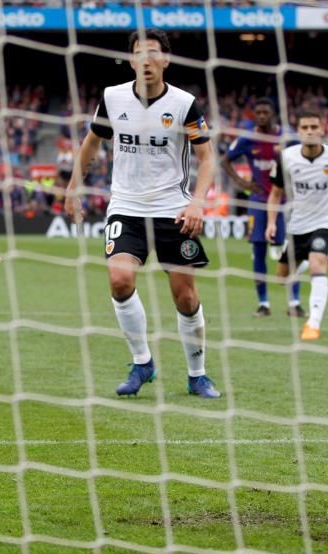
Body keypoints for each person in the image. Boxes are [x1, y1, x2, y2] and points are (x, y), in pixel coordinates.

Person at [65, 29, 220, 399]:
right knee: (120, 280)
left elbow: (207, 157)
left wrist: (197, 201)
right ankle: (142, 362)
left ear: (166, 60)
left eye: (154, 53)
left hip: (172, 209)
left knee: (184, 295)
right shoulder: (112, 97)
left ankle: (197, 374)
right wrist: (74, 185)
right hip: (126, 206)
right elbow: (92, 142)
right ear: (131, 60)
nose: (146, 60)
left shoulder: (184, 104)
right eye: (139, 54)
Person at [265, 108, 328, 341]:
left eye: (314, 127)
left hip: (326, 221)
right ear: (298, 131)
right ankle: (301, 265)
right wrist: (271, 223)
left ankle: (313, 324)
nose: (310, 131)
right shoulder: (287, 157)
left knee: (318, 265)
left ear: (322, 129)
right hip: (297, 225)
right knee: (282, 277)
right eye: (305, 127)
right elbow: (275, 194)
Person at [220, 98, 304, 317]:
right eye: (258, 112)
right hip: (257, 202)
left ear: (273, 114)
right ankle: (263, 304)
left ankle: (294, 302)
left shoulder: (288, 137)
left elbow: (304, 158)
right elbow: (225, 161)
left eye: (265, 112)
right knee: (258, 252)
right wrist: (243, 183)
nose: (261, 116)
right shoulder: (247, 139)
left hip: (284, 203)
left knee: (290, 253)